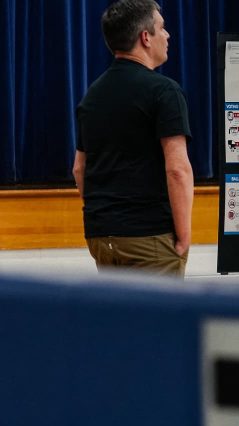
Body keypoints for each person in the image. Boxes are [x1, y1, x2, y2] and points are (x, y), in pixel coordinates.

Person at [73, 0, 193, 277]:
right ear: (145, 37)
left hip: (102, 238)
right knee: (162, 320)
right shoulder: (164, 91)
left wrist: (104, 218)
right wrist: (184, 237)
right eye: (162, 28)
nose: (168, 35)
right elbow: (177, 169)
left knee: (120, 319)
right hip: (149, 235)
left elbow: (80, 168)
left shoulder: (92, 95)